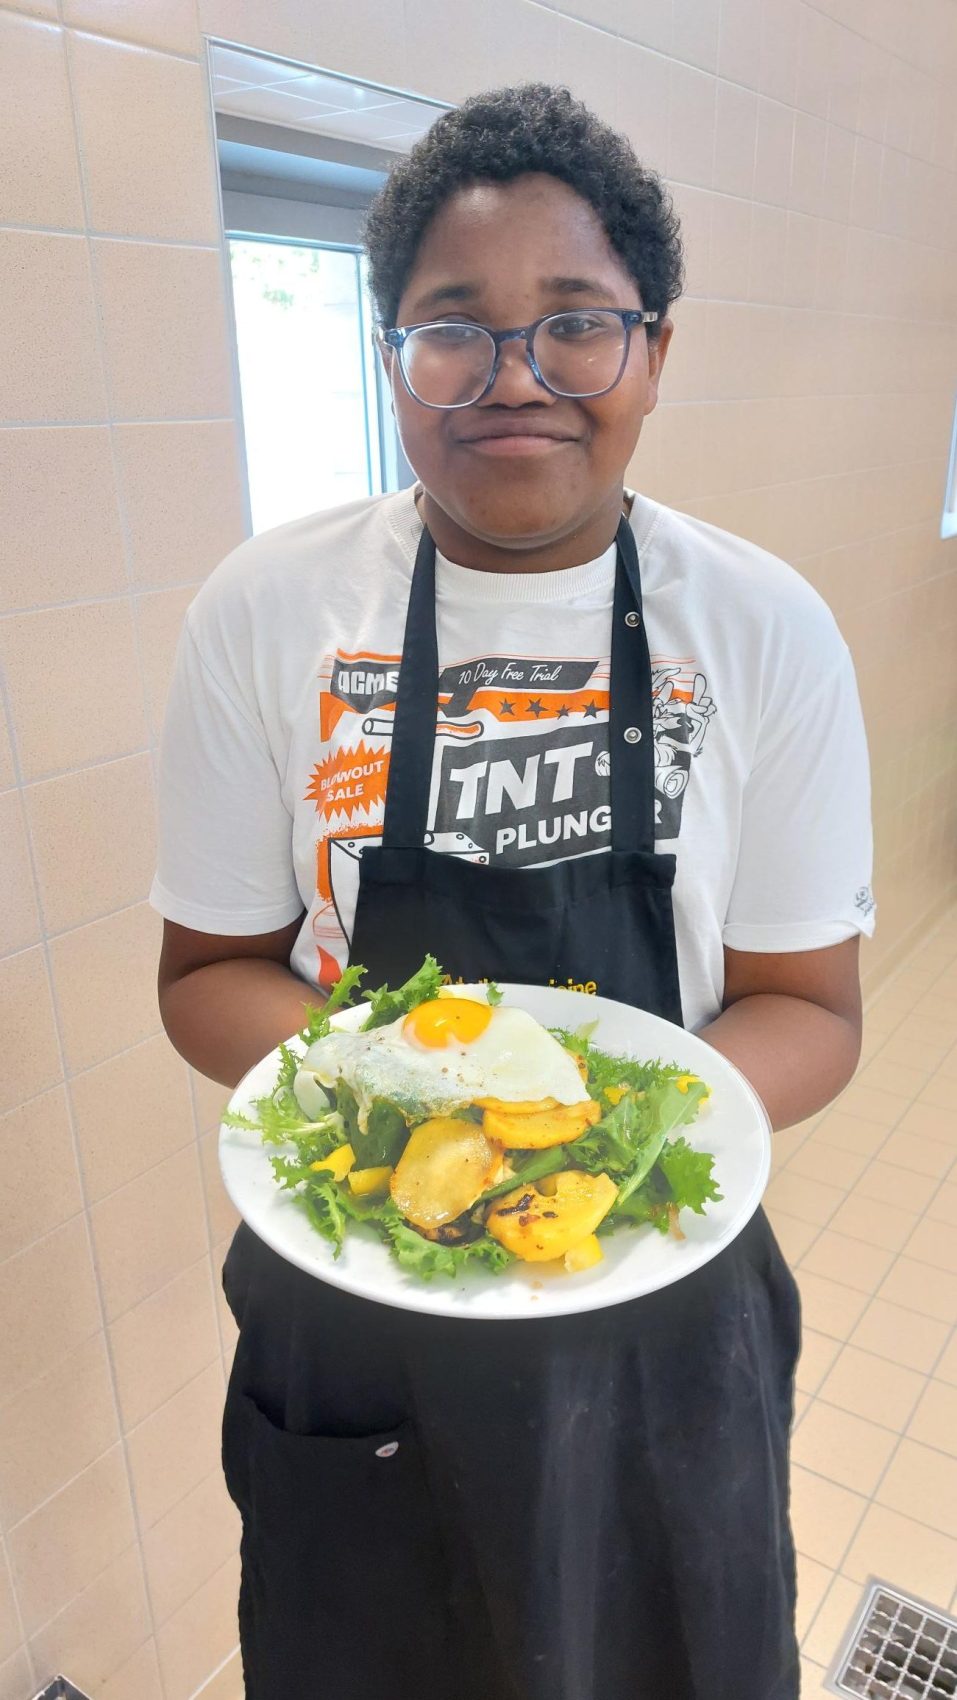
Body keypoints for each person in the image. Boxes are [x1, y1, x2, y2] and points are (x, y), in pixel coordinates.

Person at [152, 83, 875, 1700]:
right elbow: (204, 975)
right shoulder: (267, 610)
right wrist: (410, 1095)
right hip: (359, 1307)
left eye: (575, 324)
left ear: (653, 351)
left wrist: (593, 1138)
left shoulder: (761, 627)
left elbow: (810, 1010)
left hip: (655, 1302)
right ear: (392, 357)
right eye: (452, 329)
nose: (514, 378)